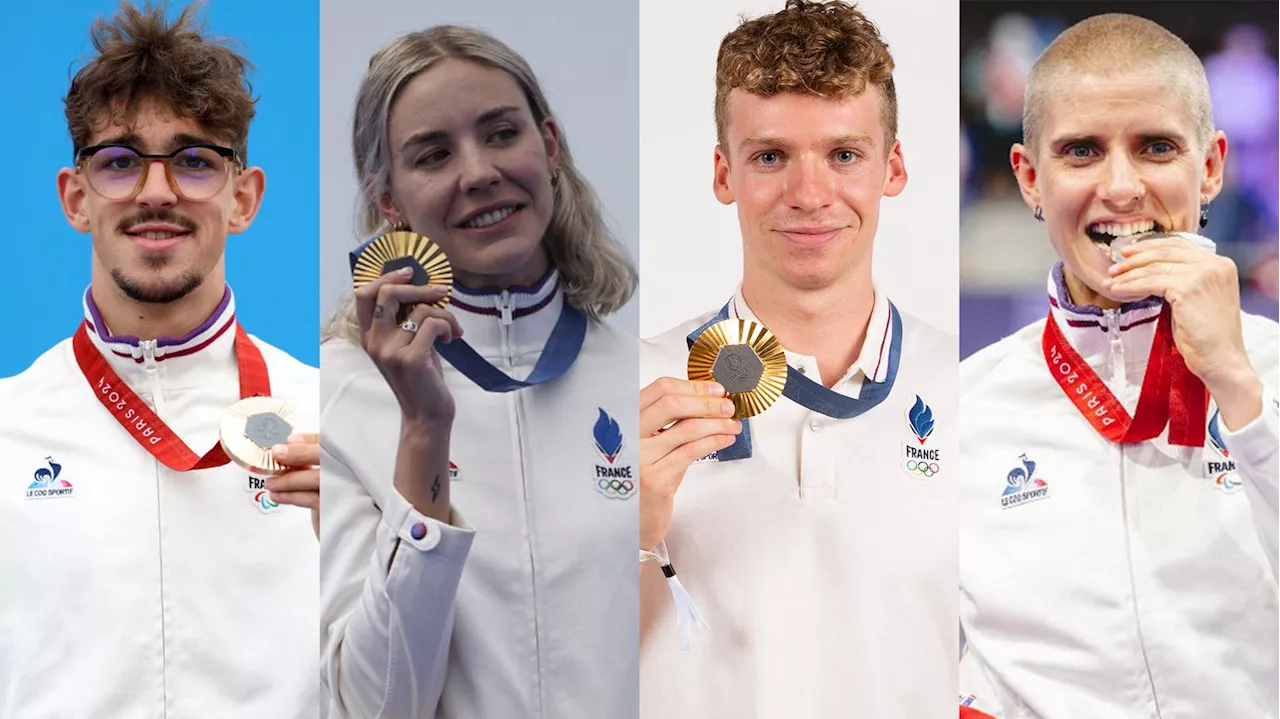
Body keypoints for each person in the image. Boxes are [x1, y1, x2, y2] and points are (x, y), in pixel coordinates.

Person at [638, 2, 958, 716]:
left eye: (844, 154)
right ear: (724, 173)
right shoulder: (630, 392)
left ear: (892, 167)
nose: (810, 195)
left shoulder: (974, 390)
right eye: (770, 156)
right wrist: (617, 538)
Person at [0, 4, 320, 717]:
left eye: (194, 160)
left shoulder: (337, 420)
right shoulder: (6, 427)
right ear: (75, 197)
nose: (155, 192)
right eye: (118, 161)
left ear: (244, 197)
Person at [958, 13, 1280, 719]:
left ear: (1212, 166)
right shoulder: (959, 409)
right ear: (1029, 177)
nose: (1123, 186)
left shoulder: (1271, 373)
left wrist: (1238, 386)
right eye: (1081, 151)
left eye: (1156, 146)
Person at [318, 26, 640, 719]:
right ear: (389, 201)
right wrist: (422, 431)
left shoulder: (643, 382)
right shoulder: (336, 399)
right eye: (433, 154)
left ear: (548, 146)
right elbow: (376, 707)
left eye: (500, 134)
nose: (478, 172)